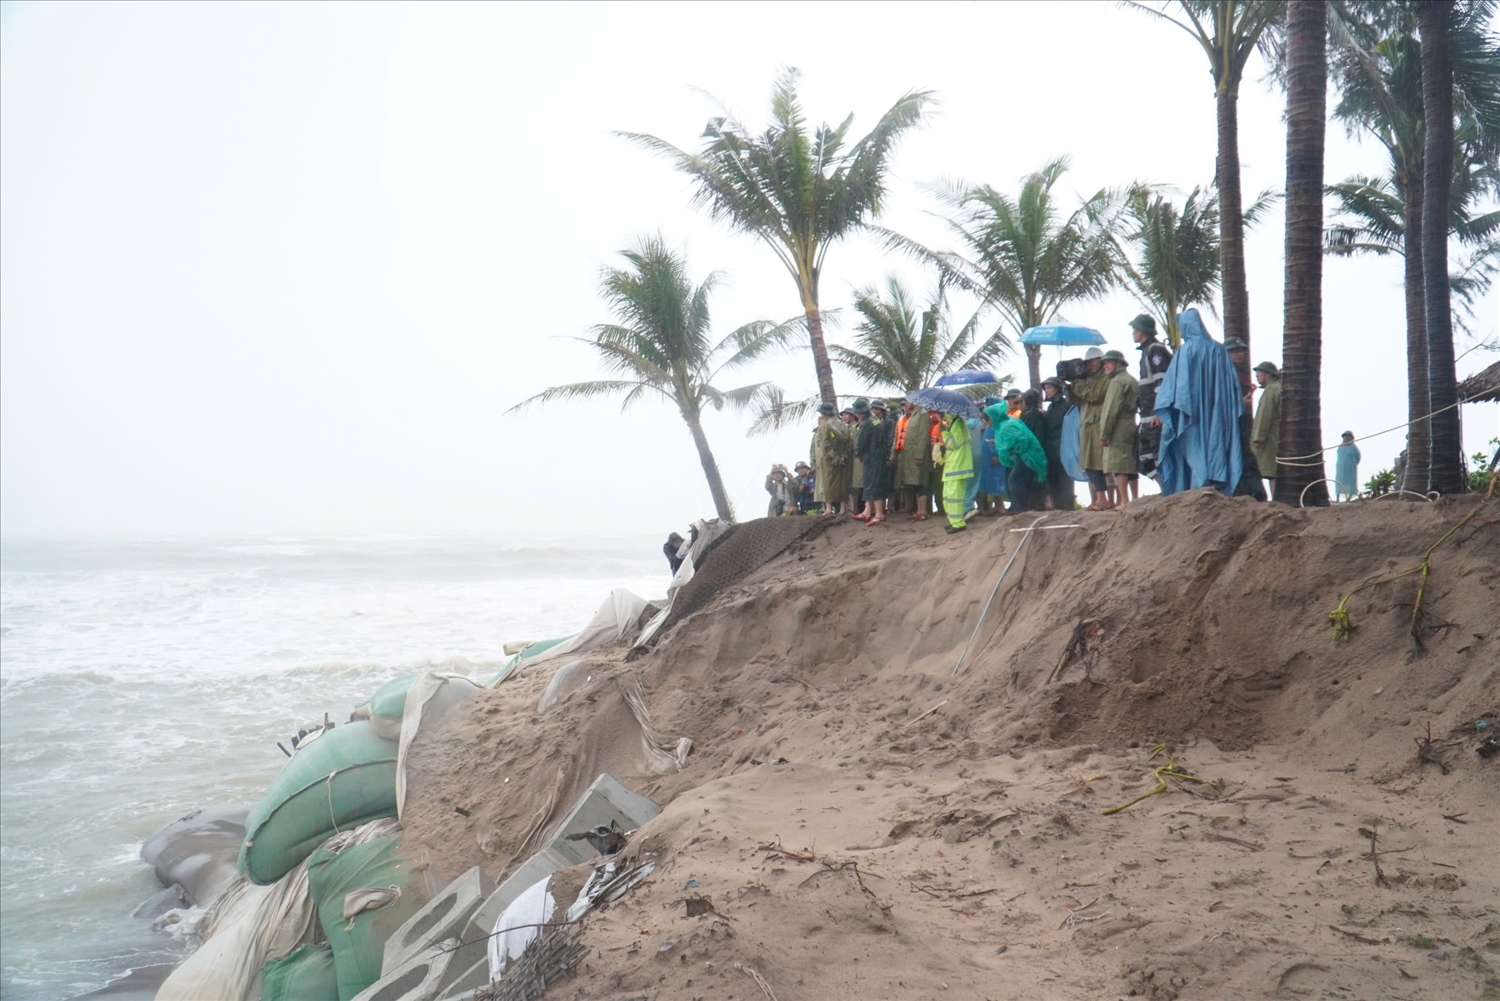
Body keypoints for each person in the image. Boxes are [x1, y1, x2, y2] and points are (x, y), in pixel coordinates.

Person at [1154, 308, 1246, 498]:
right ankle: (1213, 484)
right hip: (1216, 412)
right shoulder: (1220, 350)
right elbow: (1232, 385)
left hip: (1192, 413)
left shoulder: (1186, 351)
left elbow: (1175, 388)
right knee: (1215, 444)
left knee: (1193, 444)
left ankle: (1195, 488)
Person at [1068, 346, 1111, 509]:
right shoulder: (1089, 379)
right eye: (1088, 363)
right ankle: (1099, 499)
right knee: (1089, 463)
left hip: (1098, 424)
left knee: (1099, 463)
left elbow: (1095, 396)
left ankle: (1105, 500)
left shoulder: (1105, 379)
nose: (1089, 365)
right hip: (1087, 425)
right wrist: (1072, 387)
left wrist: (1080, 386)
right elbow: (1076, 400)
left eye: (1092, 362)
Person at [1131, 314, 1173, 481]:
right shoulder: (1147, 351)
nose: (1132, 333)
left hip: (1156, 417)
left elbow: (1162, 383)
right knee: (1145, 457)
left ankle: (1169, 492)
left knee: (1158, 456)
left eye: (1134, 329)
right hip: (1147, 416)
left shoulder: (1155, 350)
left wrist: (1160, 412)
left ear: (1141, 331)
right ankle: (1165, 491)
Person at [1224, 338, 1266, 500]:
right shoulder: (1223, 375)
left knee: (1246, 460)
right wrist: (1240, 402)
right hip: (1230, 428)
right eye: (1235, 350)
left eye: (1241, 350)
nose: (1239, 353)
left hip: (1240, 426)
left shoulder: (1235, 374)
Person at [987, 402, 1048, 513]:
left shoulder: (1006, 425)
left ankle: (1020, 508)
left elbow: (1023, 440)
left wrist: (1014, 449)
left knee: (1014, 480)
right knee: (1021, 480)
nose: (987, 423)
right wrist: (998, 443)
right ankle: (1020, 507)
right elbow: (1011, 440)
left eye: (987, 420)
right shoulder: (1007, 422)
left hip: (1028, 456)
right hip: (1025, 455)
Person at [1098, 349, 1140, 509]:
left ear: (1118, 363)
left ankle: (1124, 501)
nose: (1105, 366)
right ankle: (1135, 498)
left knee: (1118, 464)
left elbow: (1111, 410)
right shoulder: (1132, 380)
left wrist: (1104, 434)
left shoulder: (1117, 382)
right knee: (1130, 463)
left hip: (1118, 426)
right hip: (1131, 422)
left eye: (1108, 362)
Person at [856, 399, 896, 525]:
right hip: (876, 455)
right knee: (869, 483)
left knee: (874, 483)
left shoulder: (868, 423)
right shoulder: (875, 420)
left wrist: (858, 453)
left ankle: (879, 514)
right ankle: (867, 511)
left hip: (873, 455)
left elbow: (862, 441)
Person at [892, 400, 932, 519]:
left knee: (921, 483)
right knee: (914, 484)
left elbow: (923, 436)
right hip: (907, 455)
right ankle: (919, 511)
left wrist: (919, 455)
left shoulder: (923, 414)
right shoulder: (910, 416)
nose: (906, 405)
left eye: (908, 402)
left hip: (917, 455)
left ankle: (923, 511)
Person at [1040, 377, 1075, 510]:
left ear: (1057, 388)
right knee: (1053, 477)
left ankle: (1066, 506)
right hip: (1051, 447)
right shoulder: (1051, 407)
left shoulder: (1066, 405)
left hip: (1063, 446)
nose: (1046, 390)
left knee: (1064, 478)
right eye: (1045, 388)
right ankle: (1058, 505)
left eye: (1049, 387)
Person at [939, 410, 976, 532]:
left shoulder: (957, 423)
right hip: (954, 464)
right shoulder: (954, 422)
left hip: (957, 465)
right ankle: (954, 521)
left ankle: (958, 523)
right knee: (949, 496)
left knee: (954, 496)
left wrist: (944, 432)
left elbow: (954, 443)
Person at [1251, 360, 1282, 495]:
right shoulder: (1276, 388)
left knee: (1271, 471)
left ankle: (1275, 499)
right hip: (1273, 435)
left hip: (1269, 437)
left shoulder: (1271, 389)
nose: (1257, 375)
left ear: (1268, 374)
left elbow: (1265, 415)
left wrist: (1258, 438)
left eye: (1259, 372)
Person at [813, 402, 850, 515]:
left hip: (828, 460)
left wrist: (834, 458)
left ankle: (828, 509)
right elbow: (848, 442)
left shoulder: (824, 426)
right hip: (843, 457)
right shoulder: (842, 424)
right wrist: (842, 456)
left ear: (823, 414)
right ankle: (843, 508)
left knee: (827, 482)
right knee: (842, 483)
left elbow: (825, 445)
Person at [976, 397, 1008, 515]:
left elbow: (999, 440)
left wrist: (997, 455)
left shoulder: (998, 423)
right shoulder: (992, 422)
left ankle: (1000, 506)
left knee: (997, 480)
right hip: (988, 456)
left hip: (995, 456)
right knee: (991, 481)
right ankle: (996, 505)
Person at [843, 402, 866, 517]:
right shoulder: (848, 427)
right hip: (851, 458)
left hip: (856, 458)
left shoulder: (855, 427)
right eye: (843, 415)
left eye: (847, 414)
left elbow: (853, 443)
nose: (844, 417)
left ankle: (856, 508)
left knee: (857, 483)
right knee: (853, 484)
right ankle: (854, 507)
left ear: (853, 416)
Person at [1335, 431, 1360, 501]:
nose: (1346, 438)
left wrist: (1352, 465)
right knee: (1339, 482)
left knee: (1350, 483)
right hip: (1340, 468)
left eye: (1348, 436)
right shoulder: (1340, 447)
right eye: (1345, 436)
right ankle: (1337, 497)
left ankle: (1349, 497)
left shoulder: (1354, 448)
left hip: (1350, 469)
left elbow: (1358, 457)